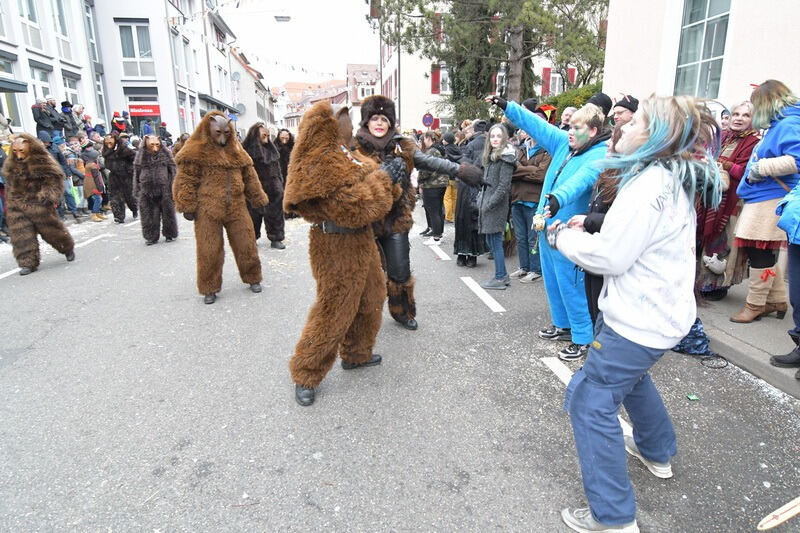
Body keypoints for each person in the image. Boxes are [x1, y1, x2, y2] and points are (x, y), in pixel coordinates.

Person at [548, 94, 722, 533]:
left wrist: (560, 240)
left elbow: (610, 258)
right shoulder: (663, 177)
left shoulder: (648, 186)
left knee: (590, 401)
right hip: (659, 317)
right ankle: (656, 451)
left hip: (638, 320)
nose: (621, 127)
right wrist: (589, 223)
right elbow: (638, 237)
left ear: (657, 137)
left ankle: (613, 516)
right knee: (629, 379)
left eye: (635, 122)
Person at [283, 102, 404, 406]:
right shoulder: (319, 161)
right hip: (335, 244)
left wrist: (394, 177)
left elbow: (383, 193)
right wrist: (386, 180)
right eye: (348, 121)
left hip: (362, 242)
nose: (354, 127)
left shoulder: (351, 155)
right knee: (335, 309)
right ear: (333, 126)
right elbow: (355, 207)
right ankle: (306, 372)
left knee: (372, 298)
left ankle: (356, 353)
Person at [489, 95, 611, 360]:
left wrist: (558, 198)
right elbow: (536, 125)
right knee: (553, 282)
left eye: (577, 128)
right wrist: (507, 106)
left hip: (569, 231)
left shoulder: (599, 154)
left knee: (571, 284)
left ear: (592, 131)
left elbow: (582, 180)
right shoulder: (563, 144)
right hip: (546, 226)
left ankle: (583, 338)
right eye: (570, 126)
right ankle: (562, 325)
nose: (570, 132)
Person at [353, 95, 482, 329]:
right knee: (363, 278)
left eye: (384, 119)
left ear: (391, 123)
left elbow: (432, 162)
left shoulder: (403, 146)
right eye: (375, 119)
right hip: (365, 221)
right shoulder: (355, 148)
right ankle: (361, 326)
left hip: (395, 219)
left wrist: (461, 170)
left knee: (400, 271)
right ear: (366, 122)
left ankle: (401, 311)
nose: (380, 123)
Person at [173, 111, 269, 304]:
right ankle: (209, 287)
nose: (223, 137)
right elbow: (186, 179)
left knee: (246, 243)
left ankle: (253, 277)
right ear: (209, 131)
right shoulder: (195, 151)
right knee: (209, 250)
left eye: (227, 133)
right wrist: (187, 204)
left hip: (237, 205)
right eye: (218, 133)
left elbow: (249, 176)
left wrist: (257, 198)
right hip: (208, 208)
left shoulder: (237, 151)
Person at [730, 80, 799, 323]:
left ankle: (755, 304)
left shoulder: (789, 123)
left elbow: (797, 160)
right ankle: (776, 299)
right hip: (764, 195)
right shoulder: (781, 123)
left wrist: (760, 167)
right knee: (762, 252)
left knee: (759, 252)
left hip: (770, 196)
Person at [696, 101, 760, 300]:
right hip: (710, 196)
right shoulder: (722, 137)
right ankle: (700, 282)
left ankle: (717, 286)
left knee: (722, 244)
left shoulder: (754, 142)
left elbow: (746, 172)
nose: (739, 118)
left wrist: (722, 164)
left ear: (754, 120)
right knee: (703, 239)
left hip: (732, 202)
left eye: (745, 115)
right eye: (736, 114)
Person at [2, 134, 76, 275]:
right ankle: (27, 263)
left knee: (52, 231)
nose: (18, 155)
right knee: (21, 235)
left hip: (38, 203)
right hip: (16, 204)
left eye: (21, 151)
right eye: (15, 151)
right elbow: (9, 184)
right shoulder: (11, 164)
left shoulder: (42, 160)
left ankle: (66, 248)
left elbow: (54, 179)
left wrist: (48, 196)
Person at [509, 104, 553, 284]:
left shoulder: (548, 150)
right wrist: (529, 170)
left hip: (534, 201)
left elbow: (541, 175)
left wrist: (521, 170)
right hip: (517, 198)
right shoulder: (521, 149)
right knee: (520, 237)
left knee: (533, 237)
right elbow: (512, 170)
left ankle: (536, 269)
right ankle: (524, 266)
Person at [477, 124, 515, 289]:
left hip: (496, 207)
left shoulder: (506, 158)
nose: (495, 139)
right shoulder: (492, 156)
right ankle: (502, 275)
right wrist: (480, 199)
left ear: (504, 138)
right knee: (491, 241)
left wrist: (489, 204)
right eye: (492, 136)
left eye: (498, 136)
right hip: (488, 204)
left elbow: (503, 187)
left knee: (495, 242)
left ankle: (500, 277)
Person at [242, 122, 286, 249]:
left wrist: (279, 185)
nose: (266, 137)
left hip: (273, 188)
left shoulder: (272, 150)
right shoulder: (247, 151)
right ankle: (251, 238)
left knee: (275, 215)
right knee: (253, 216)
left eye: (267, 134)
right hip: (255, 189)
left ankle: (276, 238)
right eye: (263, 135)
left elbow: (277, 168)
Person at [454, 119, 490, 267]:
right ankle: (473, 257)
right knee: (475, 222)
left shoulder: (469, 145)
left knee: (462, 219)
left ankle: (462, 255)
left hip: (465, 185)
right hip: (481, 185)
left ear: (474, 130)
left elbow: (461, 165)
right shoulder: (490, 146)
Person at [133, 135, 178, 244]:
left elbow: (173, 171)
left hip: (164, 188)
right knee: (148, 214)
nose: (155, 148)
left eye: (157, 145)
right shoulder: (141, 156)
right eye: (151, 145)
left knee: (168, 213)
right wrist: (137, 189)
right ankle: (151, 236)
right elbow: (136, 174)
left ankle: (170, 233)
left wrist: (173, 188)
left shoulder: (166, 155)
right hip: (147, 190)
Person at [418, 130, 449, 244]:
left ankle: (436, 236)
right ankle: (439, 234)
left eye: (425, 139)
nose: (424, 142)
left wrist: (419, 180)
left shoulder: (431, 151)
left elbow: (426, 169)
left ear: (429, 138)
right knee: (438, 210)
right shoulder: (441, 149)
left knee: (433, 211)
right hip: (442, 182)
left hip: (432, 184)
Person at [102, 134, 138, 223]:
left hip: (126, 176)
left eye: (110, 142)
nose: (108, 144)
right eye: (106, 142)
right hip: (114, 177)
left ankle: (134, 209)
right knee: (115, 197)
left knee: (130, 196)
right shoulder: (106, 151)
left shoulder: (124, 149)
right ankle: (118, 216)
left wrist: (130, 169)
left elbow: (135, 158)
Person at [81, 149, 106, 222]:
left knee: (98, 198)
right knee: (98, 199)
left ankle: (97, 213)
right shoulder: (93, 166)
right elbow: (96, 177)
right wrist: (100, 187)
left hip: (89, 182)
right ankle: (94, 214)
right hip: (92, 184)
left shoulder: (89, 163)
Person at [441, 131, 460, 222]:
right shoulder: (457, 148)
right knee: (454, 197)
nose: (443, 141)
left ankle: (448, 217)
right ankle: (454, 215)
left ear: (447, 140)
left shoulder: (446, 149)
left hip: (448, 176)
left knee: (447, 197)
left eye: (444, 139)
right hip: (457, 175)